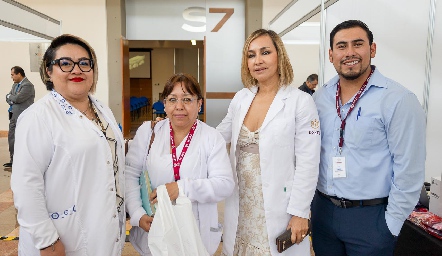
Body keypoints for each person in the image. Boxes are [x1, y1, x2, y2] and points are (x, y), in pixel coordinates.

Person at [311, 20, 426, 256]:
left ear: (372, 50)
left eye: (358, 44)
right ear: (331, 55)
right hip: (323, 212)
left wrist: (390, 225)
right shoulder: (320, 97)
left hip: (371, 218)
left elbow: (409, 170)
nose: (350, 52)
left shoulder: (398, 99)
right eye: (341, 46)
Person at [10, 34, 126, 255]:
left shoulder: (102, 109)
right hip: (62, 237)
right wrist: (46, 240)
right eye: (65, 63)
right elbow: (26, 186)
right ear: (49, 71)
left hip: (105, 229)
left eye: (84, 63)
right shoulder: (38, 117)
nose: (77, 70)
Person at [217, 29, 321, 255]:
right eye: (251, 55)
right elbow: (216, 138)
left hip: (279, 207)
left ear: (279, 55)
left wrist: (300, 212)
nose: (258, 61)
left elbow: (308, 163)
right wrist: (174, 127)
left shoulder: (300, 102)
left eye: (265, 52)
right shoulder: (241, 98)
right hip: (241, 205)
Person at [125, 73, 234, 255]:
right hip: (154, 228)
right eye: (173, 99)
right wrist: (137, 214)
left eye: (187, 99)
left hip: (195, 233)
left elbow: (225, 185)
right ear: (165, 104)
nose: (179, 107)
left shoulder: (211, 137)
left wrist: (181, 189)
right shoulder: (148, 132)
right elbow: (131, 174)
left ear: (199, 104)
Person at [4, 66, 35, 168]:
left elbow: (17, 98)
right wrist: (10, 97)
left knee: (21, 139)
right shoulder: (15, 85)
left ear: (19, 74)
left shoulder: (28, 86)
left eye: (13, 74)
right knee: (12, 137)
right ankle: (13, 160)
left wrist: (11, 98)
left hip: (22, 117)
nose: (12, 77)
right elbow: (8, 97)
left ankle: (21, 161)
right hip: (13, 115)